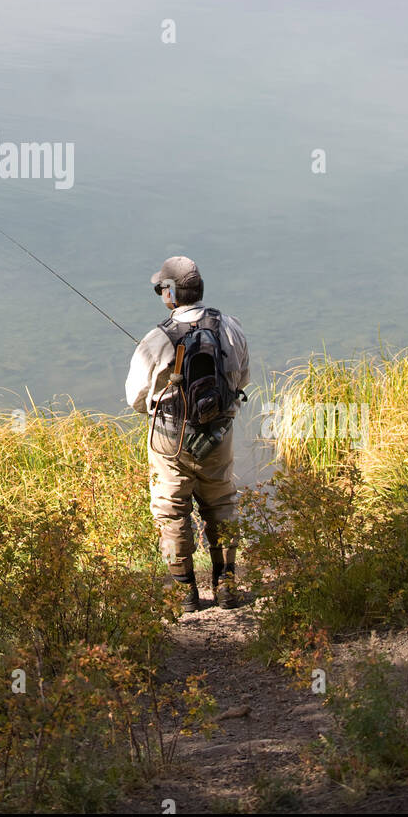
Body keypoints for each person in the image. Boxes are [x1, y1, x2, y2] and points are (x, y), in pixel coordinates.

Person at [125, 256, 250, 613]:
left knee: (172, 510)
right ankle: (227, 587)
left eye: (160, 288)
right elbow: (241, 378)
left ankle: (185, 594)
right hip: (218, 435)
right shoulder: (231, 327)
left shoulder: (155, 339)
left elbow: (135, 398)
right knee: (222, 504)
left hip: (169, 440)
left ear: (170, 294)